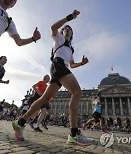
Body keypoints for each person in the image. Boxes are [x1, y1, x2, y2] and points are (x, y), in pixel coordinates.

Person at [12, 10, 93, 146]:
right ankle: (74, 133)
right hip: (58, 65)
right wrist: (70, 18)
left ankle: (20, 122)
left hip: (62, 68)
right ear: (62, 32)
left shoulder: (71, 48)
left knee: (44, 99)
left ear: (72, 34)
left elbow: (72, 65)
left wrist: (81, 63)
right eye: (65, 29)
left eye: (69, 30)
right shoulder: (58, 38)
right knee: (77, 92)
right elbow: (53, 28)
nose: (67, 30)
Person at [0, 0, 41, 82]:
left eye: (15, 0)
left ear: (13, 5)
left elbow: (19, 42)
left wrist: (33, 39)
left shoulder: (9, 22)